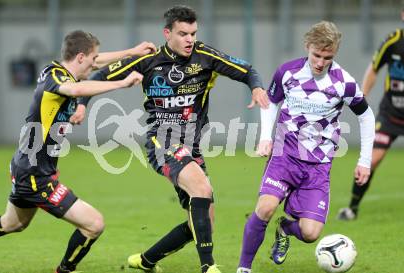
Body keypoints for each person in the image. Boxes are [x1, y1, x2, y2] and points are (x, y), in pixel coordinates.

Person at [77, 5, 265, 273]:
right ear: (167, 34)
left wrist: (256, 87)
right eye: (183, 33)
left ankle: (145, 261)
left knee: (201, 224)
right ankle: (208, 267)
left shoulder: (205, 55)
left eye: (193, 33)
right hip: (162, 141)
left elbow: (246, 69)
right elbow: (100, 75)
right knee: (202, 190)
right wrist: (83, 103)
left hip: (191, 147)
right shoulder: (149, 59)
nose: (190, 39)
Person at [0, 30, 153, 273]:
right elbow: (75, 90)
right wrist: (121, 83)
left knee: (11, 224)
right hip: (34, 174)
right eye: (92, 59)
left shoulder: (56, 70)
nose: (95, 64)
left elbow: (94, 64)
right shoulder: (57, 79)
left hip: (29, 165)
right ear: (81, 57)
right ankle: (65, 270)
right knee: (94, 224)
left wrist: (131, 52)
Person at [236, 21, 376, 273]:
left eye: (327, 57)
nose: (321, 62)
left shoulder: (344, 82)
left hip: (318, 166)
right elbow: (270, 102)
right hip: (285, 156)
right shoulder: (287, 72)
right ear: (307, 47)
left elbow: (366, 116)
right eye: (316, 55)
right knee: (265, 206)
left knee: (310, 233)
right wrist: (266, 137)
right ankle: (243, 268)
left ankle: (284, 228)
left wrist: (365, 161)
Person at [337, 9, 404, 221]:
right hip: (391, 114)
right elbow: (374, 69)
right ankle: (352, 208)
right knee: (373, 159)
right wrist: (362, 96)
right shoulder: (393, 41)